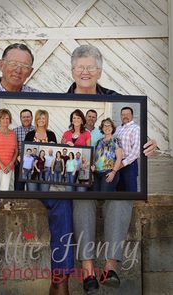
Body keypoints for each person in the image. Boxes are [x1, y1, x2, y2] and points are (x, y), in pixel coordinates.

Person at [0, 43, 73, 295]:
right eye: (13, 64)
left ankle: (60, 280)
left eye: (24, 66)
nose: (18, 70)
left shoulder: (38, 97)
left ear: (30, 71)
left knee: (62, 198)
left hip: (30, 170)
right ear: (1, 65)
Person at [68, 44, 157, 294]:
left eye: (91, 67)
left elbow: (134, 136)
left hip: (109, 167)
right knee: (81, 198)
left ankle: (110, 267)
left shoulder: (116, 100)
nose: (86, 72)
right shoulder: (62, 101)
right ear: (73, 71)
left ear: (100, 70)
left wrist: (150, 144)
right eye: (80, 67)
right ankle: (87, 270)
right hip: (84, 171)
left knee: (120, 198)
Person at [25, 109, 74, 295]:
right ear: (36, 119)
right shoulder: (30, 133)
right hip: (32, 171)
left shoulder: (51, 134)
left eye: (44, 117)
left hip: (45, 171)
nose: (42, 120)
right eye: (40, 117)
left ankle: (60, 279)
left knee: (55, 198)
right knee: (33, 190)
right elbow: (27, 152)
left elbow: (54, 153)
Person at [62, 109, 91, 192]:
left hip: (81, 168)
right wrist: (66, 144)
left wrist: (74, 146)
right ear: (71, 120)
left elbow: (88, 151)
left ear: (82, 120)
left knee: (81, 191)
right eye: (74, 118)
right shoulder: (66, 133)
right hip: (70, 168)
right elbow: (62, 149)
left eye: (78, 118)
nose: (76, 120)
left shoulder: (86, 134)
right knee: (68, 190)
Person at [93, 118, 122, 192]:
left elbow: (119, 158)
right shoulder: (99, 142)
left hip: (108, 172)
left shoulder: (116, 141)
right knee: (95, 195)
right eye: (105, 126)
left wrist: (113, 172)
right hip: (96, 173)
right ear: (102, 128)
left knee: (104, 196)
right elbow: (95, 157)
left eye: (109, 126)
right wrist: (93, 166)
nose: (107, 128)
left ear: (112, 128)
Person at [115, 107, 140, 192]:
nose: (125, 116)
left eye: (127, 114)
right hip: (117, 163)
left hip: (129, 164)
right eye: (123, 114)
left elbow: (136, 151)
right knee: (119, 190)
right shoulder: (118, 129)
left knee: (130, 191)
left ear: (132, 116)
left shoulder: (136, 128)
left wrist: (122, 163)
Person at [14, 109, 34, 190]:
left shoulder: (37, 130)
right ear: (20, 118)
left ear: (32, 118)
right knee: (18, 188)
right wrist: (15, 159)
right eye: (24, 117)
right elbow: (13, 148)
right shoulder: (15, 131)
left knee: (31, 188)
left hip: (32, 164)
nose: (26, 119)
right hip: (19, 163)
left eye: (28, 117)